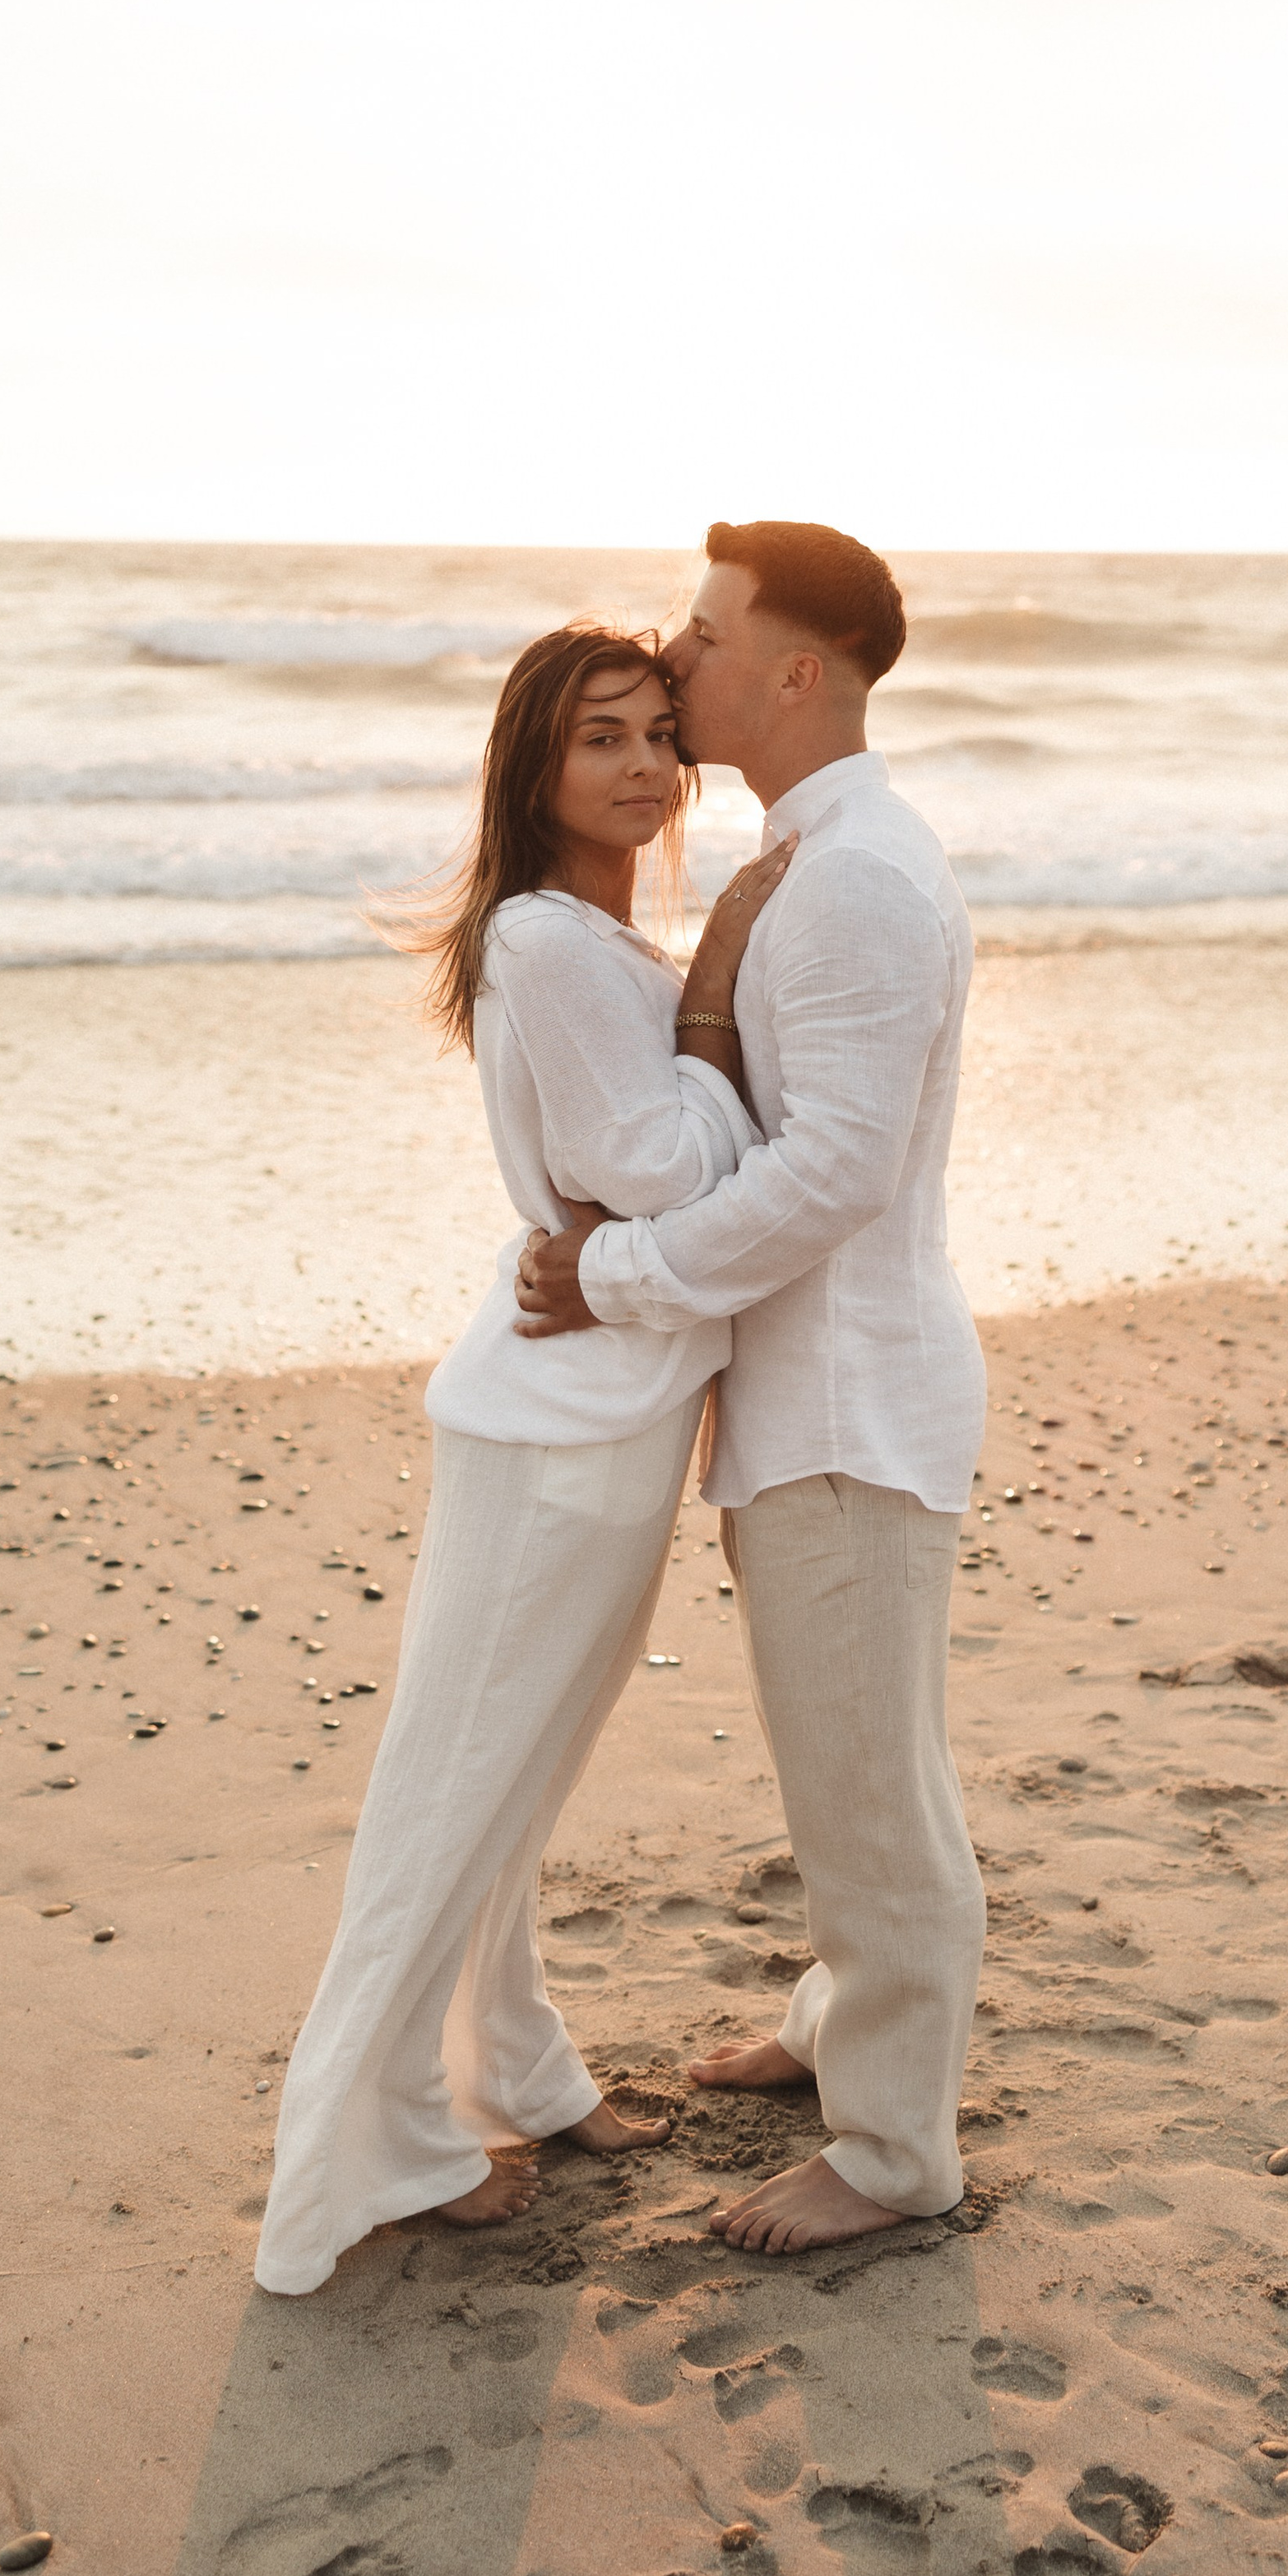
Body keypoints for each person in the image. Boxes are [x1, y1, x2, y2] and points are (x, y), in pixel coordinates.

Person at [253, 623, 793, 2296]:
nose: (640, 765)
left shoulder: (593, 941)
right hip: (554, 1428)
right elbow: (653, 1168)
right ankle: (367, 2154)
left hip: (602, 1410)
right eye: (596, 738)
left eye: (656, 735)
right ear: (533, 768)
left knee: (517, 1784)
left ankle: (518, 2068)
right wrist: (719, 1009)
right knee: (453, 1794)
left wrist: (692, 1009)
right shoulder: (552, 941)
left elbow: (650, 1163)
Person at [515, 520, 988, 2255]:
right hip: (815, 1396)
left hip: (851, 1406)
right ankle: (833, 2023)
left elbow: (834, 1168)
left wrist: (617, 1276)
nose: (675, 656)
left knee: (872, 1792)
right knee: (842, 1749)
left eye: (705, 636)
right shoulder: (815, 856)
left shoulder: (853, 879)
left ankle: (895, 2153)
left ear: (795, 672)